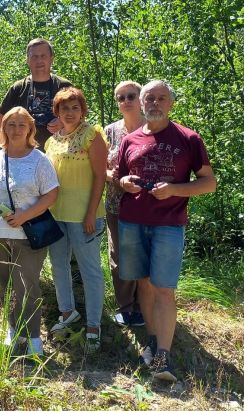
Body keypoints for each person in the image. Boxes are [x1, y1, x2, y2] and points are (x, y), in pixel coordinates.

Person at [117, 80, 216, 382]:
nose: (155, 103)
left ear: (171, 103)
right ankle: (151, 338)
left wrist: (174, 189)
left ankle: (164, 355)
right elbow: (119, 178)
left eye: (161, 98)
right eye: (149, 98)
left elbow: (208, 183)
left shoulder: (188, 138)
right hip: (132, 221)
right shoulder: (129, 140)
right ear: (142, 103)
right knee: (144, 284)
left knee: (163, 288)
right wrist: (123, 183)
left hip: (169, 225)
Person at [0, 107, 59, 355]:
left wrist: (24, 215)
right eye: (10, 124)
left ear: (30, 129)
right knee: (5, 286)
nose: (15, 130)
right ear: (3, 129)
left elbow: (52, 194)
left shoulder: (39, 159)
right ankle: (14, 333)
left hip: (28, 235)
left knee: (27, 286)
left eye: (21, 125)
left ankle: (34, 339)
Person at [44, 87, 108, 353]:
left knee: (89, 270)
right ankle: (67, 313)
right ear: (56, 112)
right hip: (55, 215)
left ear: (83, 111)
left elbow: (100, 177)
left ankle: (94, 324)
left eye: (75, 108)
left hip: (84, 217)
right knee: (59, 266)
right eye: (64, 108)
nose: (69, 113)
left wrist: (91, 213)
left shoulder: (92, 136)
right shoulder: (51, 141)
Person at [104, 81, 146, 328]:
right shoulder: (109, 131)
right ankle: (125, 306)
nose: (126, 101)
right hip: (116, 202)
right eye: (121, 98)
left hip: (148, 206)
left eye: (131, 96)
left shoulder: (154, 128)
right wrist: (119, 180)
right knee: (119, 255)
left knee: (143, 254)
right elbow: (101, 168)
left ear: (141, 98)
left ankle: (143, 306)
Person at [0, 38, 72, 150]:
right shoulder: (18, 88)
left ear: (51, 59)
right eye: (34, 56)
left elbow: (80, 118)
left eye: (43, 56)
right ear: (27, 60)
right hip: (25, 156)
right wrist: (12, 144)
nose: (39, 60)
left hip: (60, 153)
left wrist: (64, 122)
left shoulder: (64, 87)